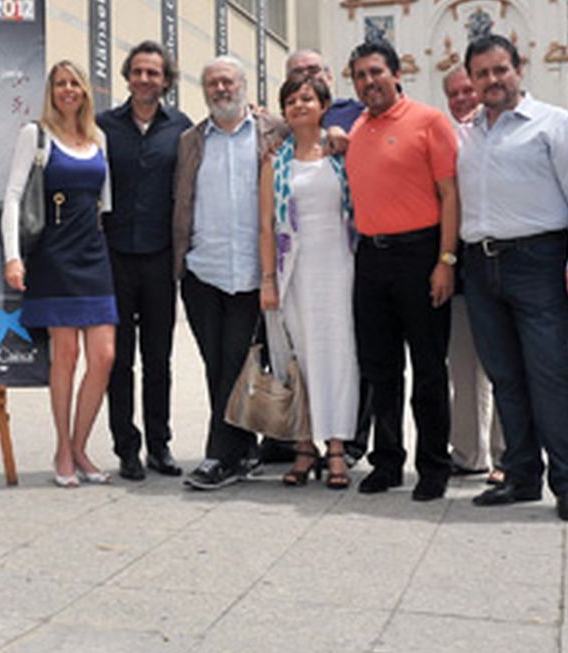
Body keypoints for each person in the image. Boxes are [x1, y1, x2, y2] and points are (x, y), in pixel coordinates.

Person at [460, 34, 568, 523]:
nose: (492, 80)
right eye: (481, 73)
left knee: (551, 376)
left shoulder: (556, 125)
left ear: (518, 68)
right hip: (481, 266)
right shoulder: (469, 133)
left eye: (499, 69)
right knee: (505, 377)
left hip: (541, 263)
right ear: (472, 79)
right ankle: (521, 476)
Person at [342, 38, 459, 501]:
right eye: (360, 76)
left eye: (376, 72)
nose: (368, 82)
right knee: (380, 369)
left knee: (428, 368)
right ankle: (387, 461)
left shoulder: (429, 121)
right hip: (370, 258)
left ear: (396, 73)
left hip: (421, 254)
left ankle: (434, 465)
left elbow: (450, 195)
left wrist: (446, 261)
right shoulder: (357, 130)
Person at [172, 56, 288, 490]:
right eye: (212, 83)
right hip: (202, 271)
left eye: (228, 81)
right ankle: (244, 450)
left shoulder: (273, 131)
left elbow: (313, 136)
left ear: (243, 85)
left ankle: (219, 456)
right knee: (215, 364)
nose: (221, 89)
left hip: (252, 274)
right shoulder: (190, 140)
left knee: (235, 365)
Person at [5, 61, 118, 487]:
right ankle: (63, 451)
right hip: (53, 255)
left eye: (74, 83)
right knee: (65, 355)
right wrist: (13, 257)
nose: (68, 90)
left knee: (104, 356)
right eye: (60, 84)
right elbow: (13, 197)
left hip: (93, 253)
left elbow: (106, 202)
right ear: (50, 91)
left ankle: (81, 444)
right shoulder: (35, 134)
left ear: (85, 90)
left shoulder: (98, 138)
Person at [94, 41, 190, 481]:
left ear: (166, 80)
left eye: (153, 73)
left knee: (158, 358)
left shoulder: (181, 128)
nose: (145, 79)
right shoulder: (103, 126)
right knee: (119, 359)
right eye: (137, 72)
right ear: (127, 77)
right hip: (114, 256)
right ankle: (126, 447)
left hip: (160, 258)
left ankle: (159, 445)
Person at [260, 73, 358, 489]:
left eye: (307, 98)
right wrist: (268, 280)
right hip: (293, 271)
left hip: (338, 267)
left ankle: (336, 447)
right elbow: (266, 226)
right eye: (291, 101)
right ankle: (304, 445)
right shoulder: (275, 162)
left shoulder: (341, 154)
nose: (299, 105)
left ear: (324, 106)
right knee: (296, 356)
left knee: (338, 355)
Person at [442, 66, 507, 485]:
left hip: (503, 263)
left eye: (468, 89)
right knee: (463, 369)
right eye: (454, 94)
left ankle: (506, 455)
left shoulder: (510, 134)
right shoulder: (449, 139)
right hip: (461, 270)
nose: (463, 98)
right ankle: (467, 454)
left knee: (504, 366)